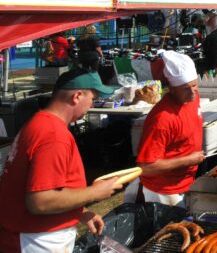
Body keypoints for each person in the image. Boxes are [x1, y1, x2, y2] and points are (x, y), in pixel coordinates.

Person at [0, 69, 121, 252]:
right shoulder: (53, 134)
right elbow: (40, 201)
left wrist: (79, 211)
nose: (92, 105)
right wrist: (95, 192)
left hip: (30, 231)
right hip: (36, 238)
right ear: (77, 96)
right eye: (93, 98)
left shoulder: (40, 122)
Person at [135, 51, 204, 206]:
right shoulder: (162, 119)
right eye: (186, 88)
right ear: (172, 89)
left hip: (186, 182)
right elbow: (145, 167)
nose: (193, 92)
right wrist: (188, 160)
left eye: (195, 85)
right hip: (163, 191)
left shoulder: (193, 98)